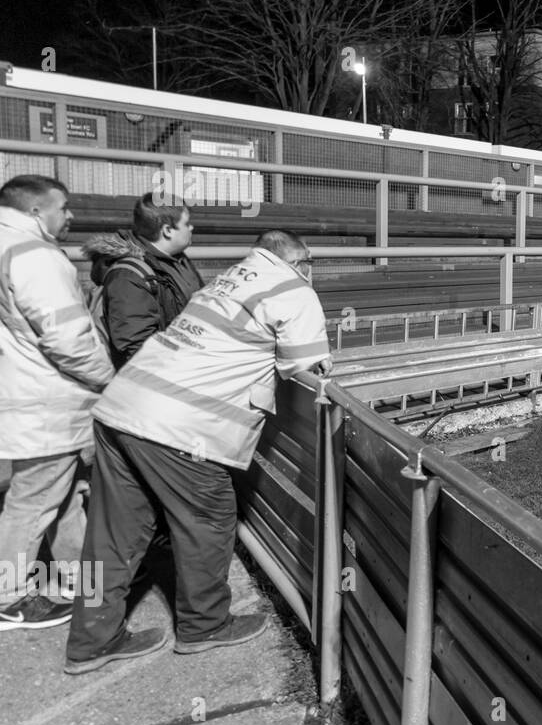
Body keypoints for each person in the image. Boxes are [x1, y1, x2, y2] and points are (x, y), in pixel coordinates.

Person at [65, 230, 332, 674]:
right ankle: (204, 625)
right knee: (208, 518)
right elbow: (305, 365)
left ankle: (90, 640)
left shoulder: (226, 279)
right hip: (180, 426)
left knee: (110, 535)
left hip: (122, 407)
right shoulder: (294, 290)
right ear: (301, 261)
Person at [0, 176, 115, 632]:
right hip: (46, 399)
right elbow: (67, 339)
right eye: (62, 208)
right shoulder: (36, 256)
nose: (70, 217)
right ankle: (9, 598)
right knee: (33, 501)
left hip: (30, 394)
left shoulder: (9, 246)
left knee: (63, 495)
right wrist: (109, 379)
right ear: (34, 211)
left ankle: (79, 577)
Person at [83, 192, 204, 368]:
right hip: (163, 376)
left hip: (187, 364)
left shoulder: (177, 259)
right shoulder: (128, 275)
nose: (191, 228)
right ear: (167, 231)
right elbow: (135, 347)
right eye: (186, 224)